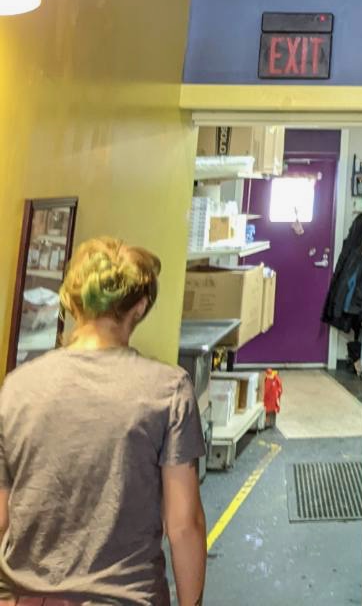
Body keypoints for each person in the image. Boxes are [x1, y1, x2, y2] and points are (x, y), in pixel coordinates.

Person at [0, 238, 207, 606]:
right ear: (139, 308)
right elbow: (183, 525)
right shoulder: (168, 391)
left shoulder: (16, 388)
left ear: (72, 302)